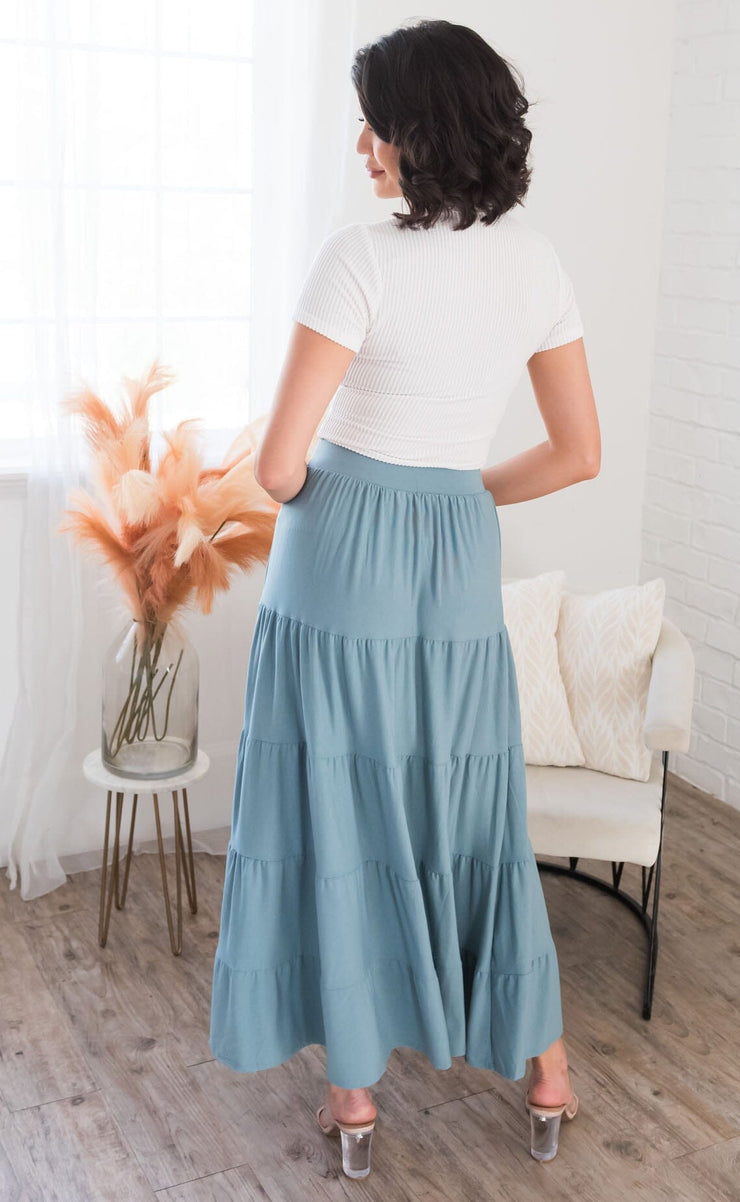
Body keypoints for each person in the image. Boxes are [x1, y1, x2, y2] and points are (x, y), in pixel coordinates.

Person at [208, 17, 600, 1179]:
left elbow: (279, 469)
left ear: (417, 131)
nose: (362, 149)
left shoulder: (358, 259)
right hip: (456, 557)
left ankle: (354, 1099)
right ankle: (547, 1072)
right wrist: (459, 491)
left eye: (373, 126)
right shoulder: (536, 263)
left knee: (339, 808)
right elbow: (577, 452)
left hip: (341, 558)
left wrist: (344, 483)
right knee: (467, 812)